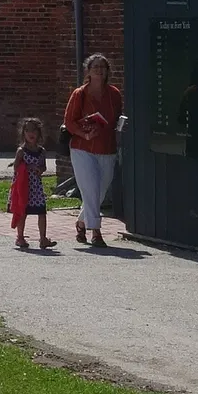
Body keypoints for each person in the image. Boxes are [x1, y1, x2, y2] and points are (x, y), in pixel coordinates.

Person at [64, 53, 122, 248]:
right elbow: (69, 122)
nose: (99, 70)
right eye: (95, 66)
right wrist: (84, 133)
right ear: (88, 70)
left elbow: (117, 118)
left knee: (100, 191)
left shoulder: (114, 93)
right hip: (83, 147)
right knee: (91, 189)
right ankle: (96, 232)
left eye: (102, 67)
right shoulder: (80, 94)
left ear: (107, 71)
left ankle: (81, 222)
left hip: (107, 147)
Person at [10, 118, 57, 251]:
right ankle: (20, 237)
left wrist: (40, 170)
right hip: (24, 186)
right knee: (23, 211)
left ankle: (43, 239)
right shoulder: (21, 151)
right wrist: (27, 166)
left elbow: (44, 167)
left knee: (41, 212)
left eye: (34, 130)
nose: (31, 133)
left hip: (36, 187)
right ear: (23, 133)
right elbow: (16, 167)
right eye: (27, 130)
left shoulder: (42, 151)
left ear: (39, 133)